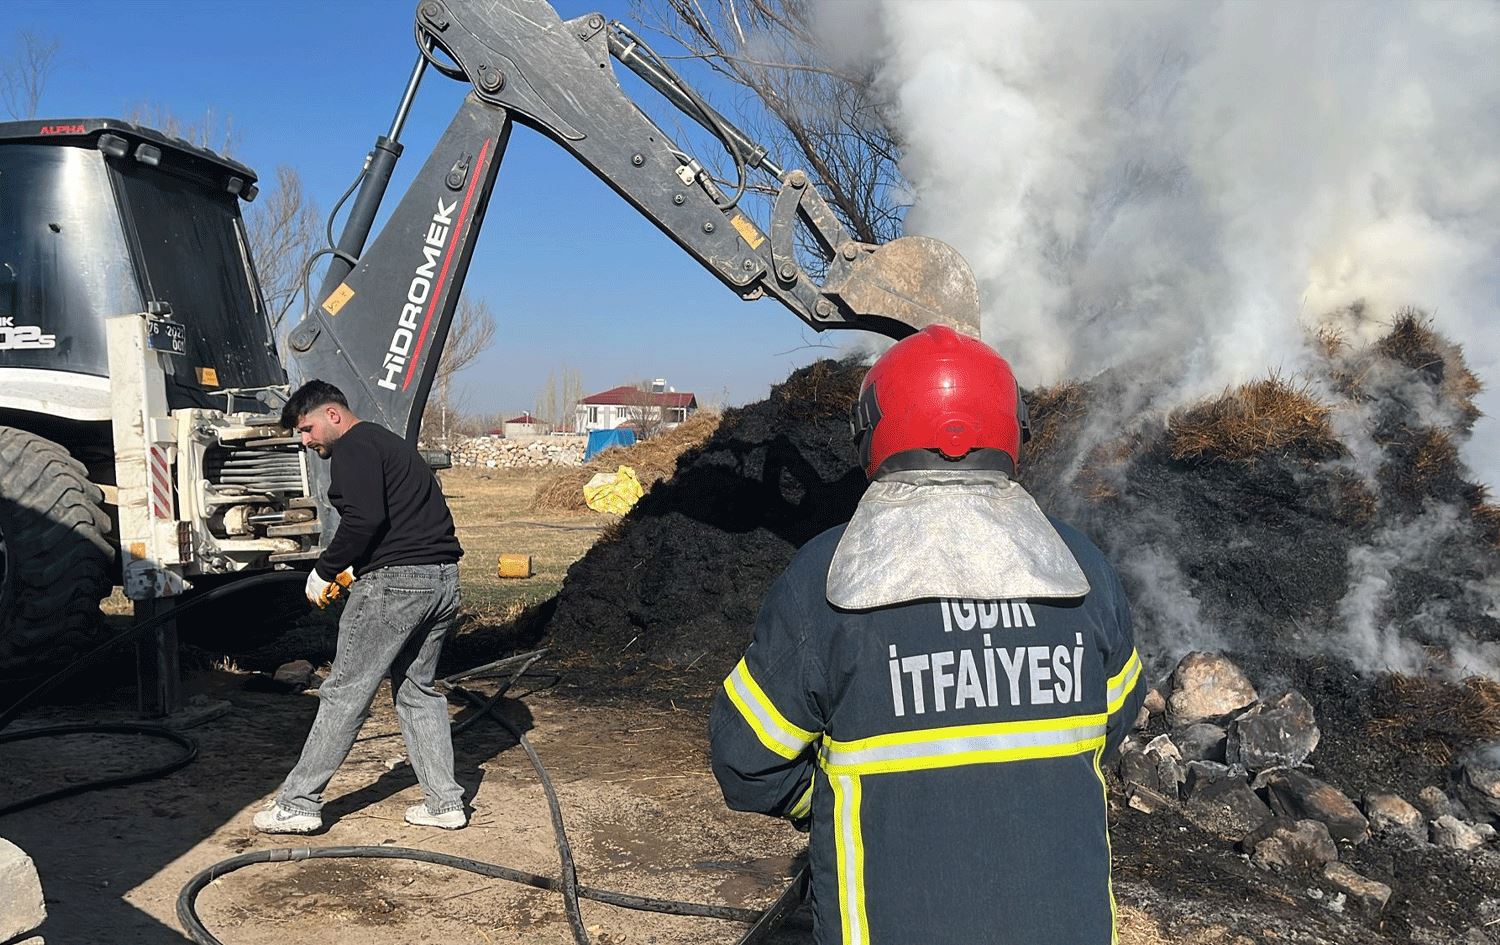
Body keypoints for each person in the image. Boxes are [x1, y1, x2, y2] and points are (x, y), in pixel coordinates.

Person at [709, 326, 1144, 945]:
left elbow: (747, 762)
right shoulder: (1083, 567)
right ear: (1014, 429)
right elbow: (1115, 719)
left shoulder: (825, 579)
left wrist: (841, 800)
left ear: (872, 434)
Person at [254, 379, 466, 834]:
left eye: (308, 429)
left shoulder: (351, 447)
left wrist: (327, 568)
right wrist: (360, 567)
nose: (306, 441)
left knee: (344, 693)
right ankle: (446, 802)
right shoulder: (391, 444)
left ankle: (299, 803)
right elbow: (401, 520)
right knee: (418, 691)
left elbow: (364, 518)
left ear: (333, 415)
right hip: (442, 578)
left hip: (396, 586)